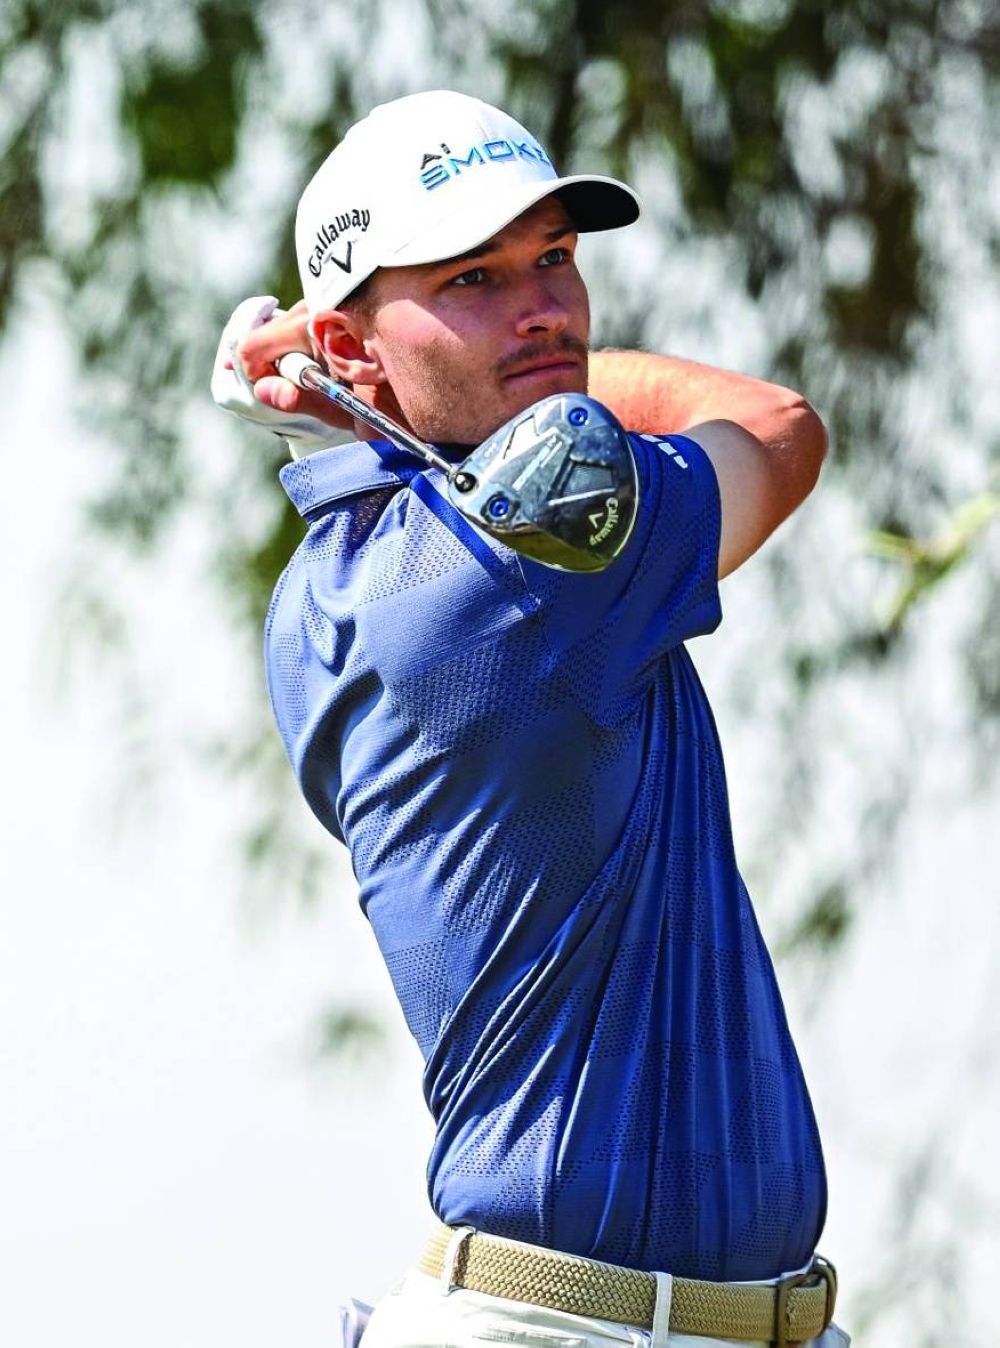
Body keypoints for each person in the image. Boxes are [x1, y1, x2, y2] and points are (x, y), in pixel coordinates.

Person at [213, 90, 845, 1348]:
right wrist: (377, 381)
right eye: (474, 279)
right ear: (344, 345)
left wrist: (370, 383)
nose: (546, 306)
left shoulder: (324, 594)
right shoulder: (534, 553)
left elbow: (455, 466)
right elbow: (776, 425)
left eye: (553, 256)